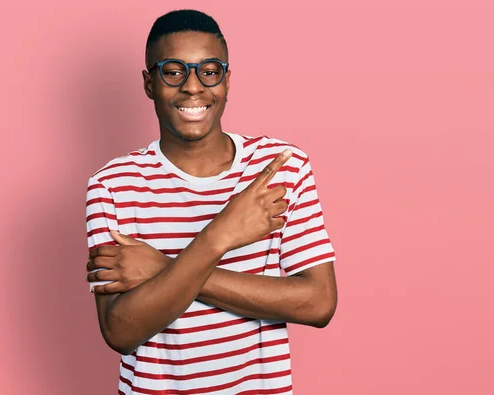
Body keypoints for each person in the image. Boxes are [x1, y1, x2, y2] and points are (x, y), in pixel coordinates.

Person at [85, 9, 338, 394]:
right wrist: (219, 236)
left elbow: (318, 303)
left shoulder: (280, 168)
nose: (193, 87)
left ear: (227, 80)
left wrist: (163, 268)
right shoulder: (112, 185)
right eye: (173, 71)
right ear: (149, 83)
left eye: (209, 70)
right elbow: (120, 330)